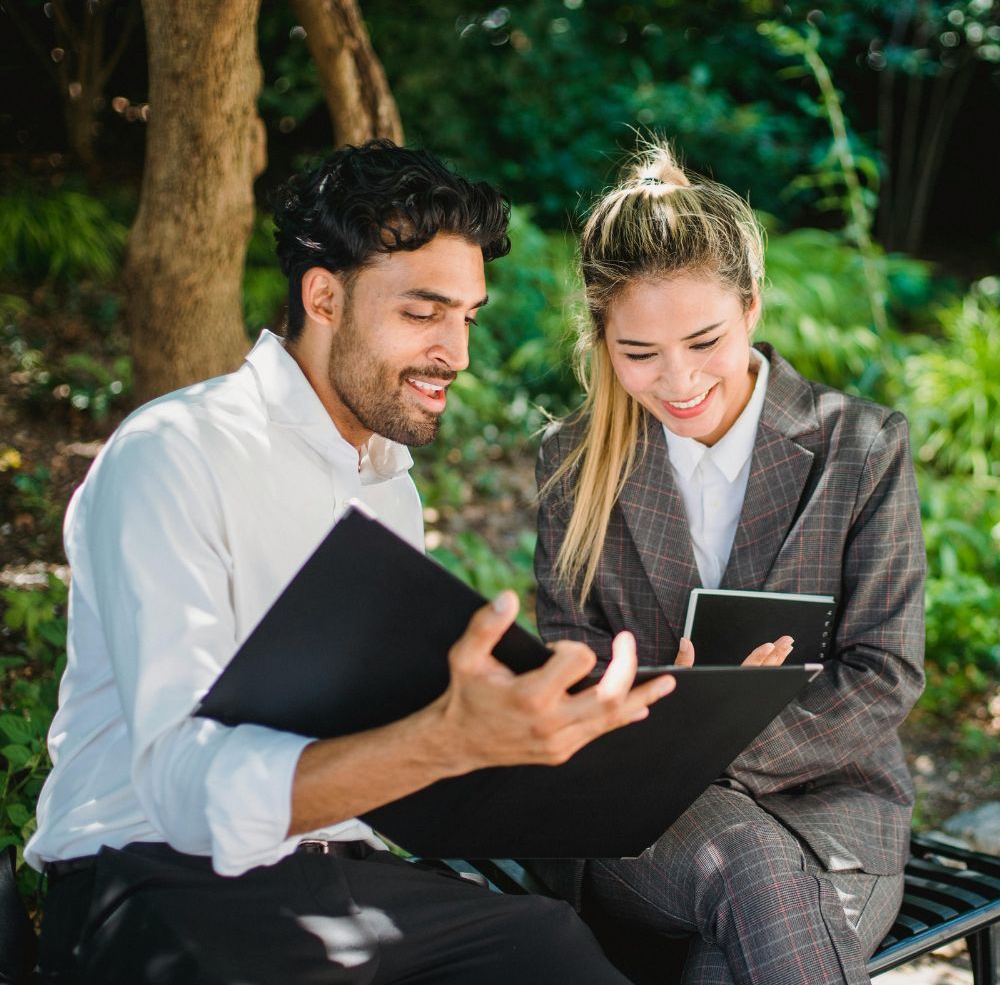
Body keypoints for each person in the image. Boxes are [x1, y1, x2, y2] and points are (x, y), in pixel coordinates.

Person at [26, 140, 679, 985]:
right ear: (324, 295)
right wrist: (444, 741)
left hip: (348, 877)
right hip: (155, 877)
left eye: (468, 317)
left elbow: (391, 749)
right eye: (423, 313)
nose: (459, 353)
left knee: (552, 950)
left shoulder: (384, 489)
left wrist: (574, 723)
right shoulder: (174, 453)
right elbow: (184, 792)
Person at [533, 143, 926, 985]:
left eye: (704, 340)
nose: (676, 381)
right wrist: (663, 732)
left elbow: (885, 671)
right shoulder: (573, 462)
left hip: (833, 807)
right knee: (747, 865)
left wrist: (709, 741)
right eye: (638, 353)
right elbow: (572, 658)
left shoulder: (859, 447)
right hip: (649, 814)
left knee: (730, 948)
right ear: (602, 340)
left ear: (752, 307)